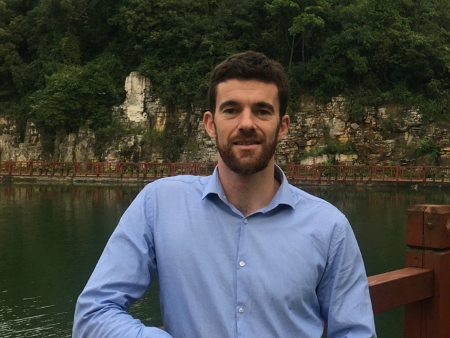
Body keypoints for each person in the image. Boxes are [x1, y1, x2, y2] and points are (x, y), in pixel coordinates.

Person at [73, 51, 376, 338]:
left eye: (262, 110)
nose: (246, 124)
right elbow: (93, 315)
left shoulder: (329, 228)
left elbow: (356, 331)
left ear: (282, 126)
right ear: (210, 124)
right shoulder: (160, 204)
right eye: (231, 110)